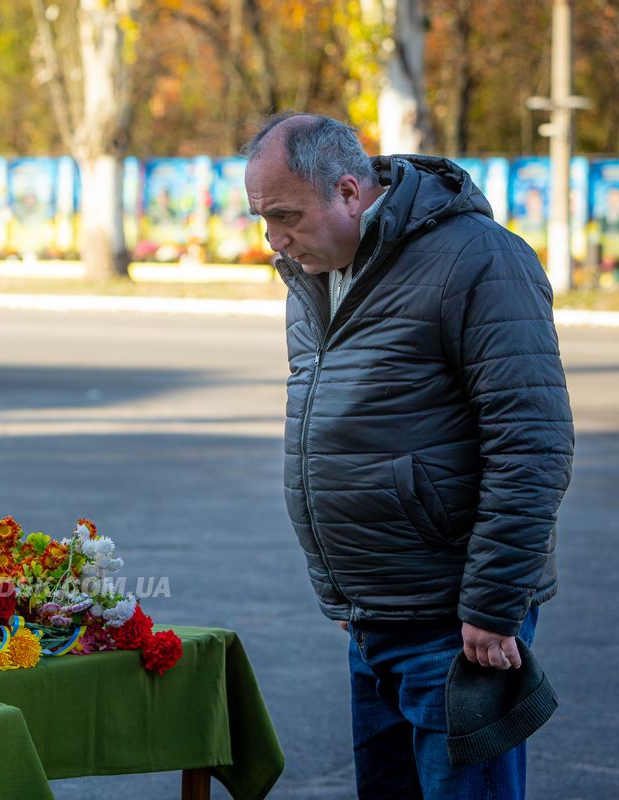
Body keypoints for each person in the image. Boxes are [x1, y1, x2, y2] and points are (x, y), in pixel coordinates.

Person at [242, 113, 573, 798]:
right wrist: (338, 585)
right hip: (372, 613)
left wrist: (491, 602)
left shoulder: (478, 259)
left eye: (286, 216)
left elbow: (532, 443)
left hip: (454, 625)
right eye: (262, 219)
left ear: (350, 192)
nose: (274, 239)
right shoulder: (313, 273)